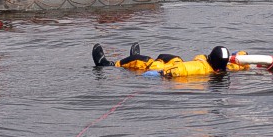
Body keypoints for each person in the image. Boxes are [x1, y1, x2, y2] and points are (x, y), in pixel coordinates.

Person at [92, 43, 240, 77]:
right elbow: (240, 65)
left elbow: (175, 71)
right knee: (170, 57)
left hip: (167, 70)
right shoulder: (225, 67)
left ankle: (108, 64)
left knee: (146, 61)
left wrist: (160, 74)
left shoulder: (194, 68)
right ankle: (131, 58)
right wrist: (242, 55)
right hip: (179, 62)